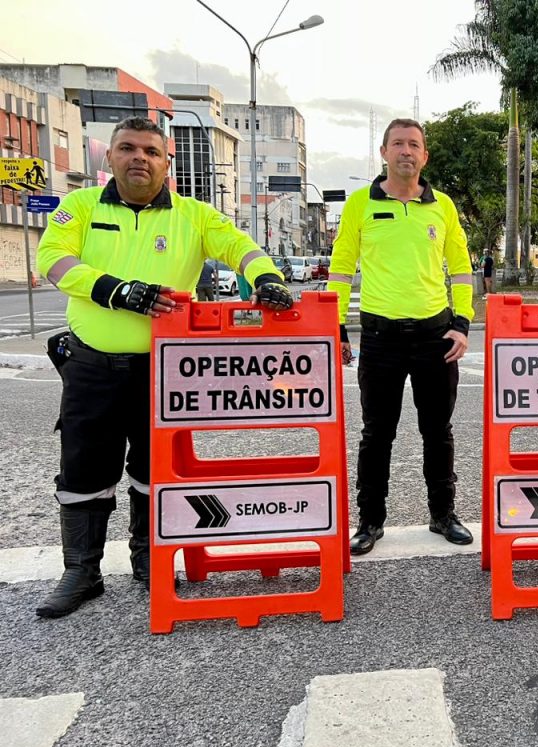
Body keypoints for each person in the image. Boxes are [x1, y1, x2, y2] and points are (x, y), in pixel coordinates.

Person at [34, 117, 292, 618]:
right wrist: (116, 290)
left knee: (157, 470)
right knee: (84, 468)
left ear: (166, 162)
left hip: (167, 368)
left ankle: (150, 561)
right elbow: (53, 259)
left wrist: (266, 278)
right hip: (92, 364)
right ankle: (81, 572)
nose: (139, 158)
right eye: (127, 148)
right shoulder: (79, 207)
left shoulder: (193, 215)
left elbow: (240, 247)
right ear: (108, 157)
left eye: (151, 152)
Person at [328, 118, 474, 555]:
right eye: (398, 144)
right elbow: (340, 269)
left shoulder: (443, 206)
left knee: (438, 431)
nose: (406, 151)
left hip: (435, 336)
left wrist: (462, 323)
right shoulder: (360, 204)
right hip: (380, 338)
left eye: (414, 145)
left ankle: (443, 514)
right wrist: (337, 328)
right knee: (377, 434)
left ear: (424, 155)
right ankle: (370, 521)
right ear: (384, 152)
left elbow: (461, 267)